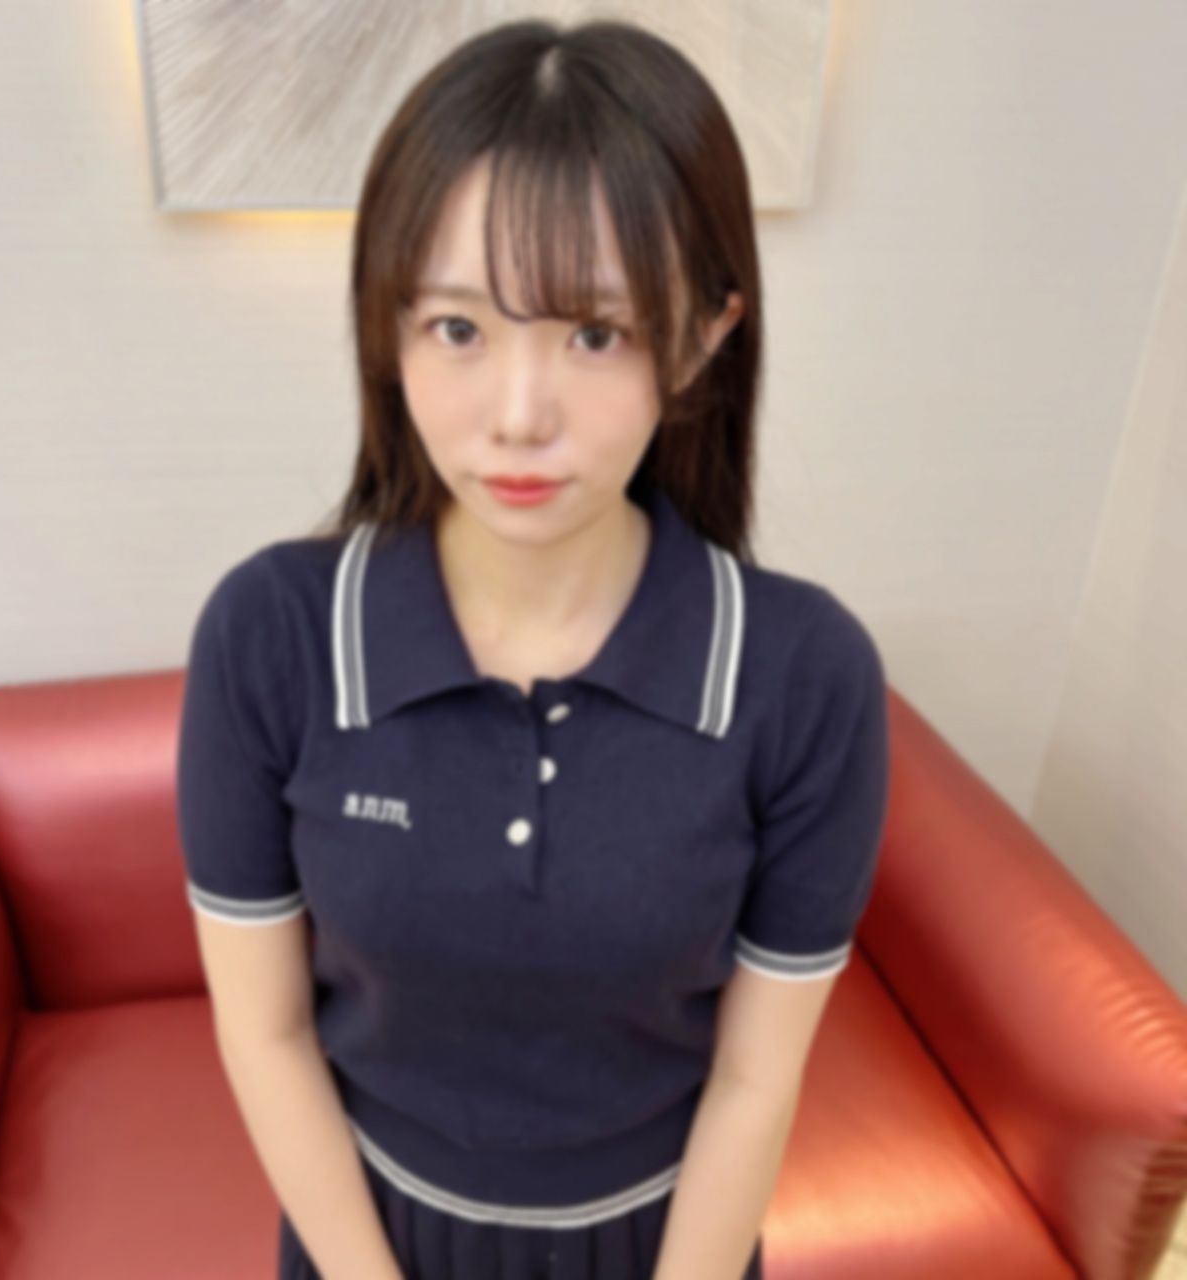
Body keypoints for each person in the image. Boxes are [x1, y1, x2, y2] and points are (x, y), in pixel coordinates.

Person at [175, 17, 890, 1280]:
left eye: (594, 333)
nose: (516, 416)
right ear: (388, 328)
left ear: (703, 333)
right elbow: (266, 1030)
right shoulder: (271, 634)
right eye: (457, 329)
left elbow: (754, 1075)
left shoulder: (802, 674)